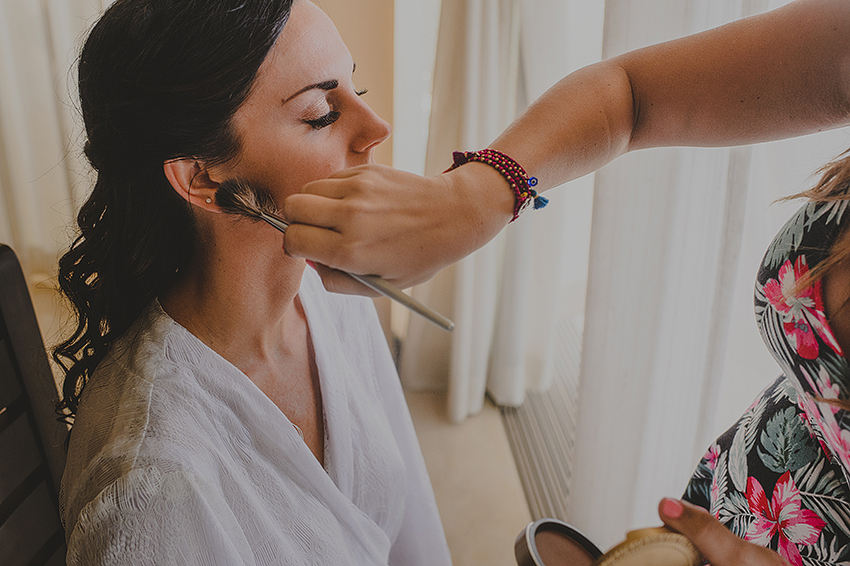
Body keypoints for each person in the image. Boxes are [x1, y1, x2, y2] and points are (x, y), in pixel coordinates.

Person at [278, 0, 850, 564]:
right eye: (318, 113)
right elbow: (629, 93)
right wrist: (473, 194)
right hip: (724, 509)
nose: (380, 128)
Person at [54, 1, 451, 564]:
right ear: (203, 177)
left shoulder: (331, 295)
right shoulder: (153, 486)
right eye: (320, 113)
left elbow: (411, 525)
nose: (376, 129)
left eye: (354, 90)